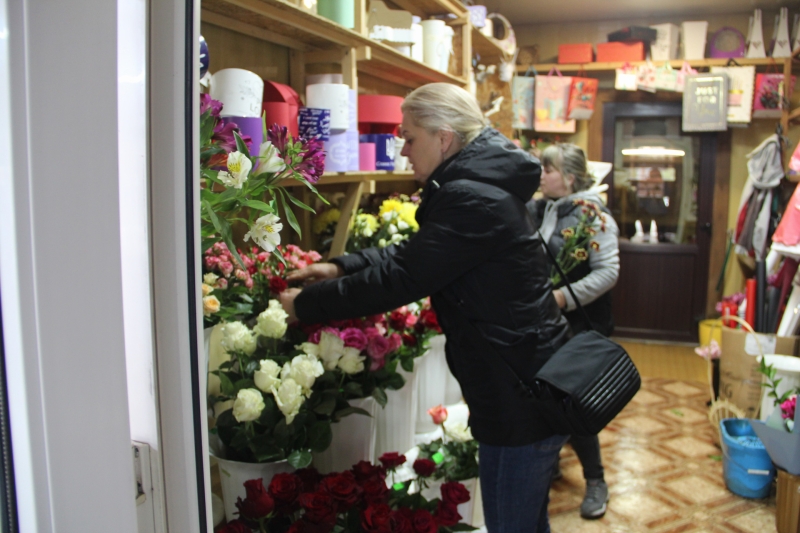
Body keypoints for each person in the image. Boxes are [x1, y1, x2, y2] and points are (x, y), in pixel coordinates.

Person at [280, 83, 571, 533]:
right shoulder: (474, 186)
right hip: (519, 383)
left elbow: (404, 277)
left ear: (444, 138)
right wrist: (339, 268)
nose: (402, 150)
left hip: (520, 394)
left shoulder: (471, 196)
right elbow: (414, 256)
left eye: (409, 137)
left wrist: (305, 306)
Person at [526, 143, 620, 520]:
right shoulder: (534, 209)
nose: (542, 175)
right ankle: (551, 464)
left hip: (580, 326)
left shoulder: (593, 215)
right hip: (542, 327)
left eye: (549, 169)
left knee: (576, 404)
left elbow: (607, 272)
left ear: (571, 177)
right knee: (543, 397)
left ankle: (596, 480)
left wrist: (562, 298)